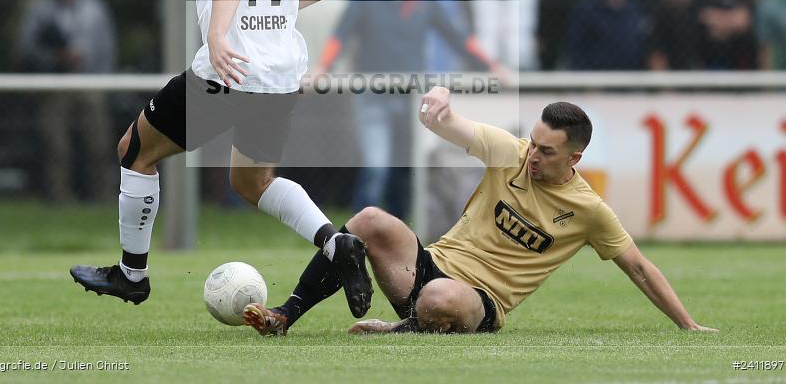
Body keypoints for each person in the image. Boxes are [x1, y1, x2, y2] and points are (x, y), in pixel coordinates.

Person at [68, 0, 373, 318]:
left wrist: (215, 34)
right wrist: (288, 6)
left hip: (226, 72)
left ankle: (131, 275)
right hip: (280, 76)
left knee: (134, 151)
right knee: (253, 182)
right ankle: (336, 243)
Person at [242, 87, 718, 336]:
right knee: (368, 219)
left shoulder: (590, 211)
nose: (532, 155)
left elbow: (638, 266)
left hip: (477, 302)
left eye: (547, 152)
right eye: (533, 142)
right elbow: (446, 124)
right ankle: (286, 314)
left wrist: (688, 324)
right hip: (426, 267)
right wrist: (440, 99)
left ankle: (400, 329)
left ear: (574, 159)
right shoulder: (507, 150)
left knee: (439, 300)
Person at [314, 0, 500, 218]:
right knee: (376, 167)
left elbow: (458, 37)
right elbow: (342, 34)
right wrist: (322, 67)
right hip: (373, 94)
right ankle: (357, 234)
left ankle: (399, 235)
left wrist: (492, 67)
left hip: (415, 97)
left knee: (407, 169)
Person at [14, 0, 118, 203]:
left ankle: (105, 197)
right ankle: (60, 199)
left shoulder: (95, 7)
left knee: (99, 144)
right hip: (55, 83)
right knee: (55, 146)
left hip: (90, 83)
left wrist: (105, 84)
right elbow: (24, 47)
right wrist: (55, 58)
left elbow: (108, 49)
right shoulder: (40, 8)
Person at [647, 0, 704, 70]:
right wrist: (666, 85)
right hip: (671, 77)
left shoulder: (698, 14)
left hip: (697, 76)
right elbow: (656, 56)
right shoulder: (658, 15)